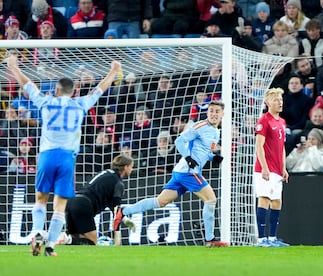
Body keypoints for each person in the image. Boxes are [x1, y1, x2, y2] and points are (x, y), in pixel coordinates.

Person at [7, 54, 122, 256]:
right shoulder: (80, 104)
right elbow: (100, 89)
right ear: (73, 91)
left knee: (40, 199)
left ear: (56, 90)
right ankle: (50, 245)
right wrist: (113, 71)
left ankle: (36, 234)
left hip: (47, 156)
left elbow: (27, 84)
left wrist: (13, 66)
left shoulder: (46, 101)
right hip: (67, 158)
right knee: (59, 205)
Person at [113, 100, 228, 247]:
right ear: (207, 112)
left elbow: (202, 151)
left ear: (222, 114)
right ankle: (210, 239)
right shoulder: (200, 126)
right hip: (188, 171)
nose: (214, 114)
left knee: (160, 202)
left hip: (181, 171)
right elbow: (179, 141)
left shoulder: (216, 131)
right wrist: (188, 158)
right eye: (211, 111)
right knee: (211, 200)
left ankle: (123, 211)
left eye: (217, 111)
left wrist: (213, 157)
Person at [62, 154, 135, 246]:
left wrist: (125, 219)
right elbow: (117, 212)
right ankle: (65, 239)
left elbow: (112, 206)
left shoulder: (106, 173)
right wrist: (117, 240)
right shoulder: (118, 183)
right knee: (92, 242)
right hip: (83, 205)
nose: (132, 170)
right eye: (131, 167)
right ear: (126, 167)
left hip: (72, 201)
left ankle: (65, 239)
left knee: (77, 239)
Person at [254, 88, 290, 247]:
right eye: (276, 100)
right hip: (265, 169)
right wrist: (264, 167)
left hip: (277, 169)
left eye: (280, 100)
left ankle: (273, 238)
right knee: (264, 198)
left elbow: (281, 146)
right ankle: (261, 239)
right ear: (268, 103)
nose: (279, 102)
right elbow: (259, 146)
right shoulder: (264, 120)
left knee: (277, 201)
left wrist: (284, 167)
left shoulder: (281, 122)